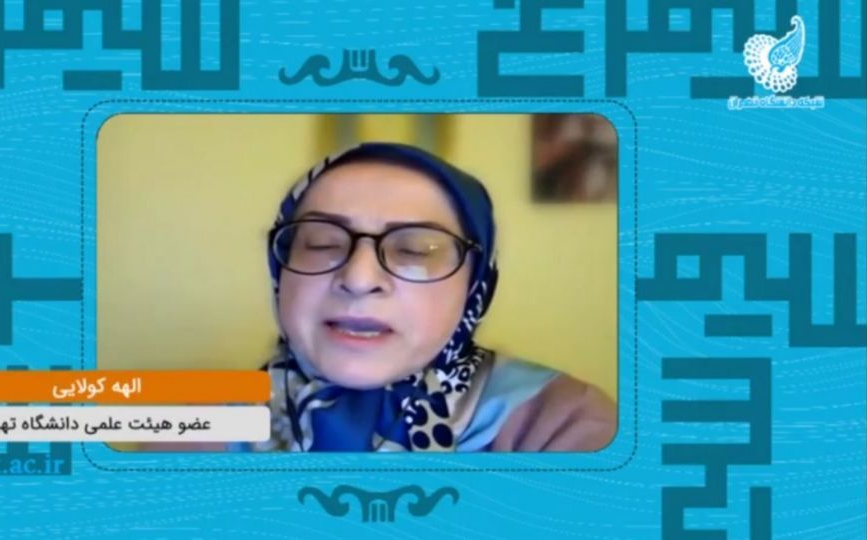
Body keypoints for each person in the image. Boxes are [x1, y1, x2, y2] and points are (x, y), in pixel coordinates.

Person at [225, 141, 617, 452]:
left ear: (475, 284)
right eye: (322, 243)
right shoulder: (203, 415)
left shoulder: (563, 422)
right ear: (280, 270)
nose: (359, 279)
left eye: (415, 250)